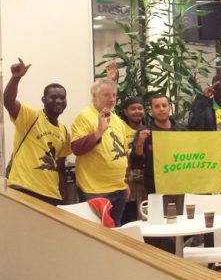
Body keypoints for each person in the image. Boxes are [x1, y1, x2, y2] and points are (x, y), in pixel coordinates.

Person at [3, 58, 71, 205]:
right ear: (43, 99)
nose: (59, 101)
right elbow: (8, 101)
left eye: (62, 97)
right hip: (25, 189)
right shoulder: (31, 116)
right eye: (53, 97)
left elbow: (60, 168)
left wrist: (64, 201)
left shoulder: (64, 131)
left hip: (52, 195)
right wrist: (16, 78)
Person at [71, 78, 129, 226]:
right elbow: (76, 148)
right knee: (98, 235)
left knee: (115, 232)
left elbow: (123, 153)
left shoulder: (116, 119)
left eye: (114, 95)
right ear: (94, 96)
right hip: (95, 190)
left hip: (118, 188)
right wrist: (98, 132)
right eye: (106, 95)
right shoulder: (84, 117)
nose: (111, 99)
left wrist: (125, 182)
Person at [130, 94, 188, 195]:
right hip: (155, 187)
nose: (161, 109)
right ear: (151, 110)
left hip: (181, 185)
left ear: (169, 107)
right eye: (157, 106)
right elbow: (137, 163)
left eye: (164, 105)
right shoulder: (144, 132)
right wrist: (140, 143)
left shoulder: (182, 130)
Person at [120, 95, 146, 223]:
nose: (137, 111)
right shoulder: (119, 127)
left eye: (140, 108)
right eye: (133, 108)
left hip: (144, 181)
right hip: (126, 179)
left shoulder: (149, 129)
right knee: (128, 217)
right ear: (125, 112)